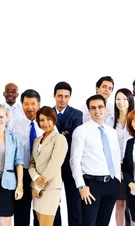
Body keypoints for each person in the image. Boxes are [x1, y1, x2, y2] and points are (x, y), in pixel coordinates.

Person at [70, 94, 122, 226]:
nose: (97, 110)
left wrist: (117, 179)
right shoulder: (81, 131)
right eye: (93, 108)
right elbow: (74, 161)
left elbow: (116, 156)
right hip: (91, 185)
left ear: (105, 108)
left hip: (111, 184)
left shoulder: (111, 132)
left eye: (100, 107)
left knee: (103, 223)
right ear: (88, 110)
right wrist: (81, 186)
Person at [7, 89, 41, 226]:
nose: (30, 108)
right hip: (21, 172)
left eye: (33, 104)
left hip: (40, 174)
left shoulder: (46, 123)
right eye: (26, 104)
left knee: (40, 211)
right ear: (21, 105)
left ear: (39, 104)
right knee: (21, 211)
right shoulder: (14, 124)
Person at [29, 106, 68, 226]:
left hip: (50, 188)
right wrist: (36, 179)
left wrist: (39, 186)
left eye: (48, 119)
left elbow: (54, 165)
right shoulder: (37, 140)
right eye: (42, 120)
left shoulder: (59, 139)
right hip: (36, 188)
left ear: (54, 119)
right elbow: (31, 164)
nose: (45, 123)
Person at [51, 82, 83, 226]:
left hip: (71, 164)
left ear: (70, 97)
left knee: (74, 202)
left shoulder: (77, 114)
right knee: (53, 201)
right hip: (53, 164)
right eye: (59, 96)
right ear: (54, 96)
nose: (62, 99)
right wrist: (65, 134)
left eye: (66, 96)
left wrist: (58, 135)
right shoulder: (47, 113)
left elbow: (75, 137)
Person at [112, 88, 134, 226]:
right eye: (118, 99)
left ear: (130, 101)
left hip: (133, 166)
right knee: (119, 204)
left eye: (125, 99)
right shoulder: (110, 121)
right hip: (116, 165)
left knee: (133, 204)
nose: (121, 102)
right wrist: (115, 168)